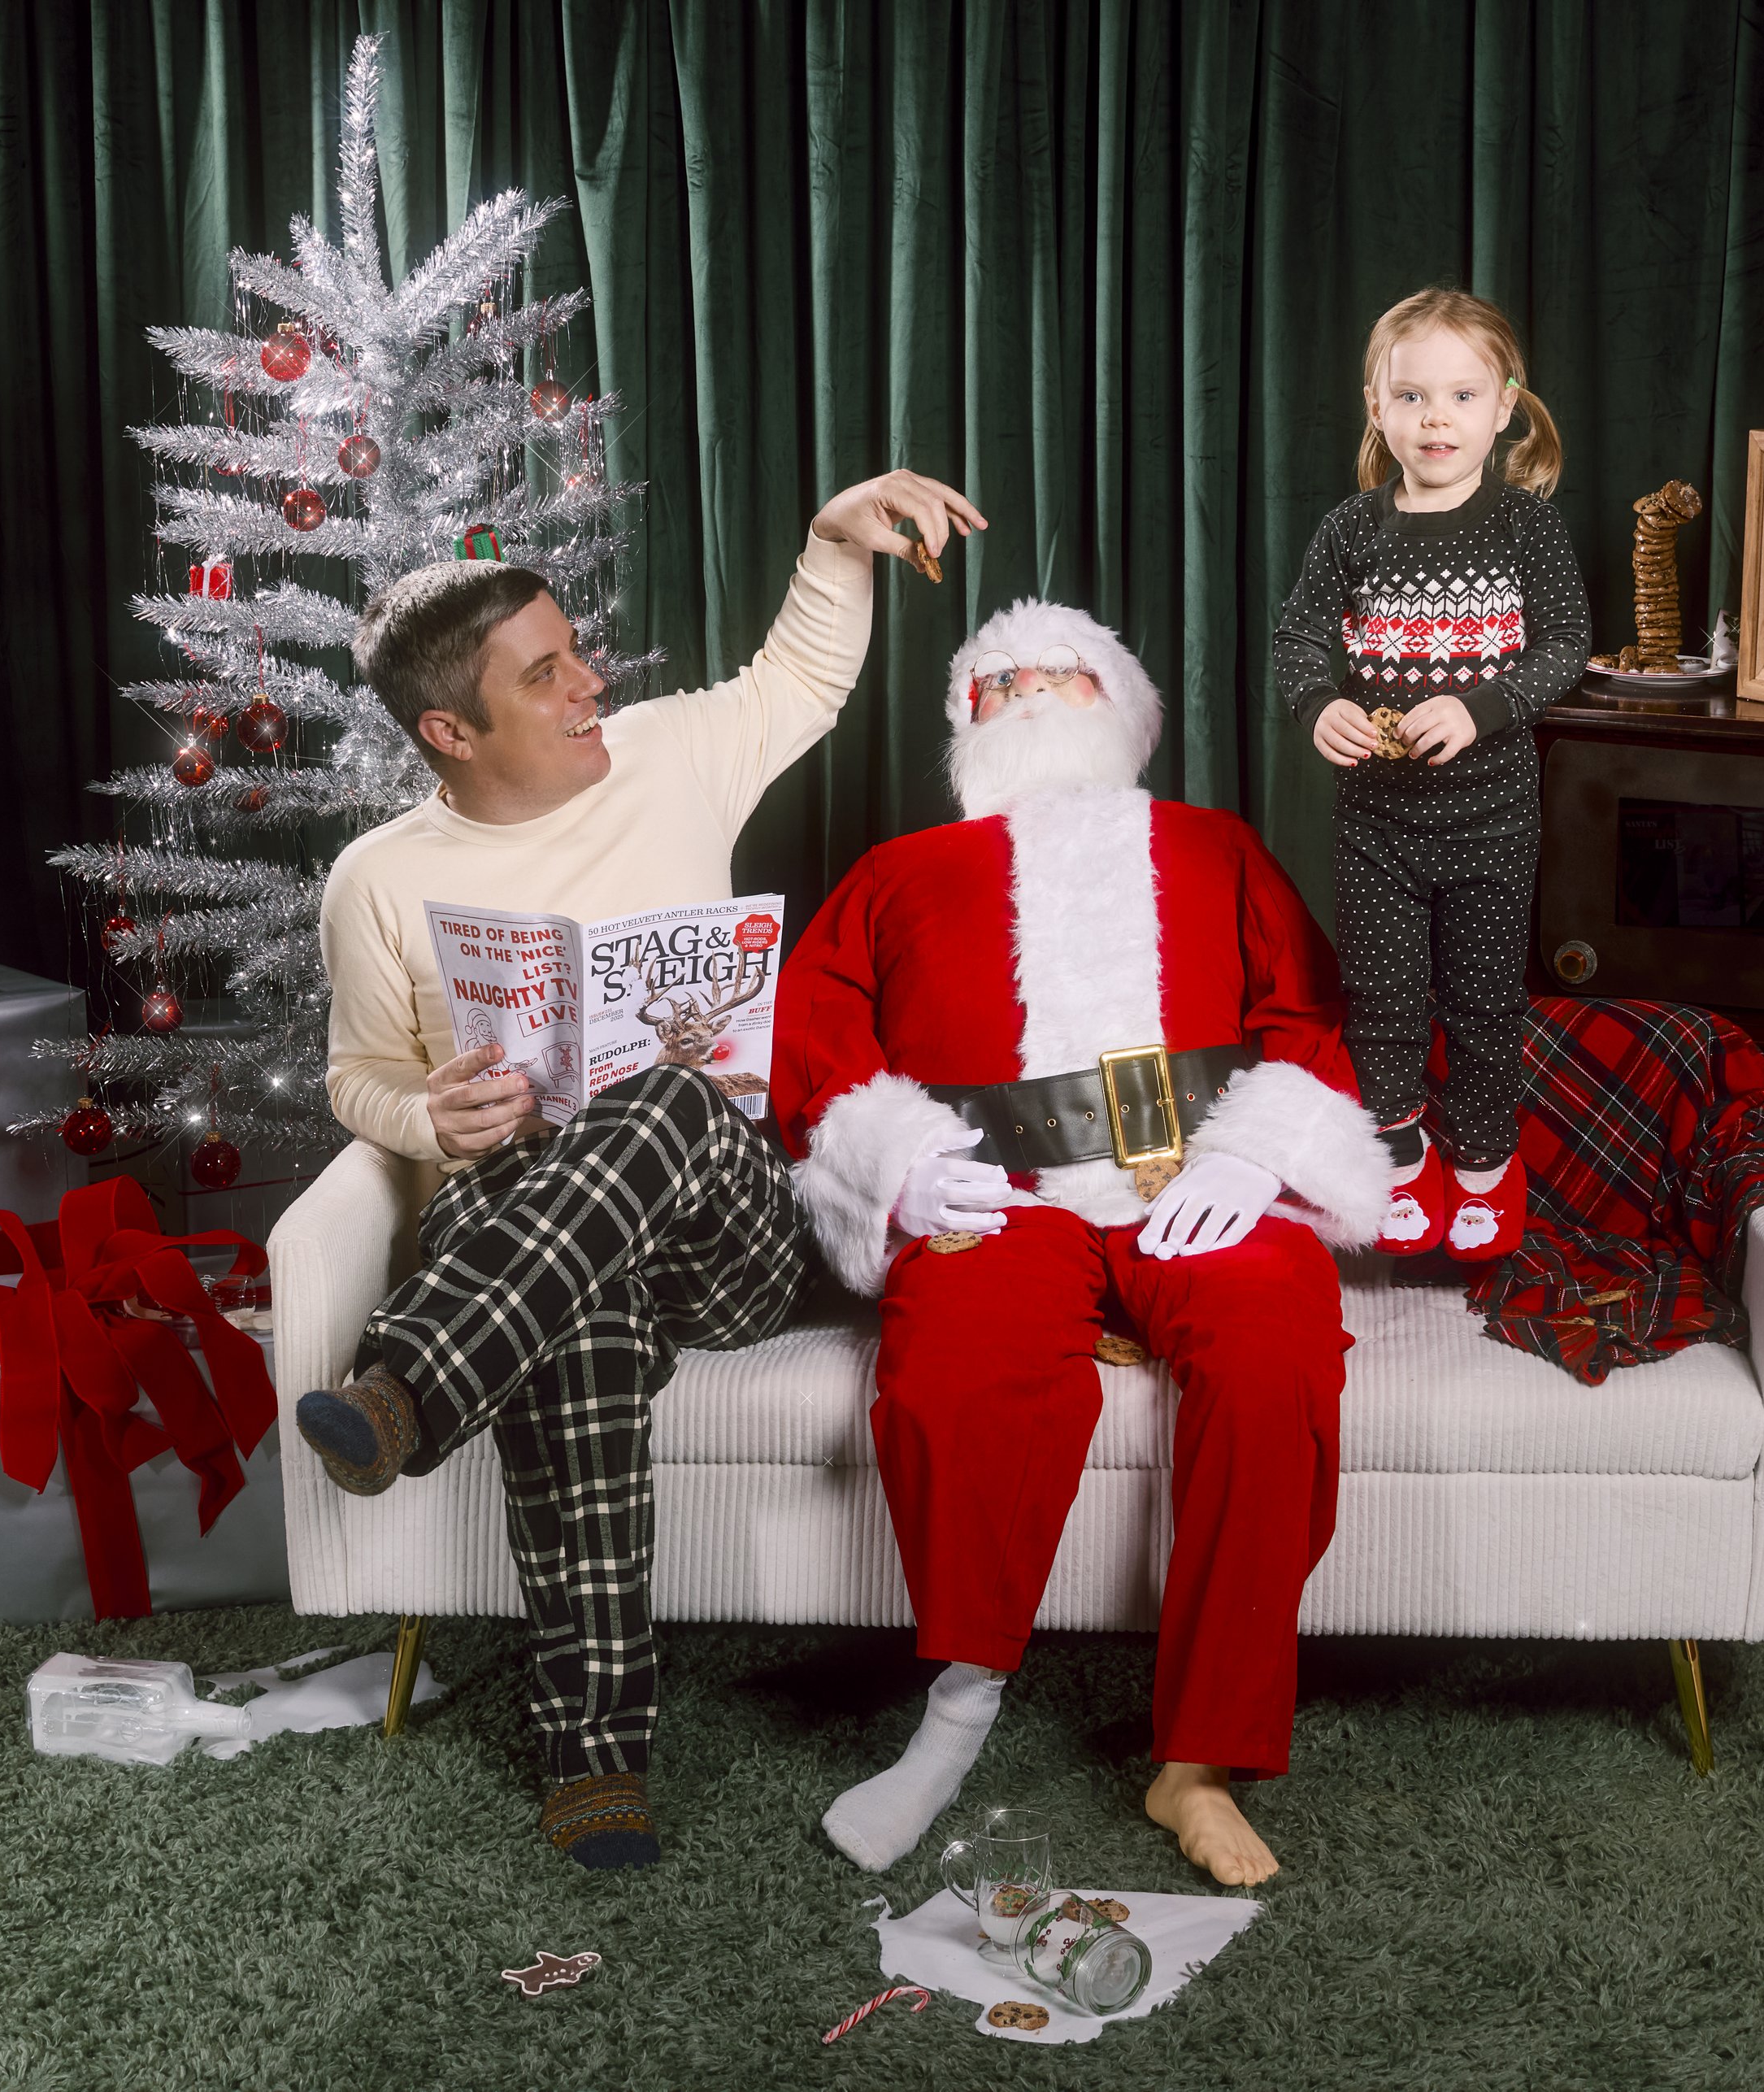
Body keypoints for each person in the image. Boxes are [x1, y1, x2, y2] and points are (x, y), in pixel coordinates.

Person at [292, 471, 987, 1871]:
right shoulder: (377, 875)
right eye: (546, 675)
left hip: (723, 1234)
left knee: (662, 1096)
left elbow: (799, 675)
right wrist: (434, 1117)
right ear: (450, 729)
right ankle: (594, 1757)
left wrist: (828, 537)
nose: (589, 682)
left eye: (575, 651)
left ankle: (413, 1382)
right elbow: (358, 1074)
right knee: (578, 1321)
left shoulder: (668, 751)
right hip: (544, 1246)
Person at [771, 602, 1390, 1888]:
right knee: (947, 1372)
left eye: (1065, 673)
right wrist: (899, 1161)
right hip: (1003, 1198)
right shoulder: (897, 873)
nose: (1033, 690)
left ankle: (1199, 1762)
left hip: (1200, 1184)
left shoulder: (1218, 849)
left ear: (1126, 708)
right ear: (965, 723)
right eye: (999, 679)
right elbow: (817, 1044)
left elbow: (1309, 1015)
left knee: (1276, 1359)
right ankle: (955, 1713)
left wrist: (1254, 1149)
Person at [1273, 286, 1590, 1265]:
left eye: (1460, 396)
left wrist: (1481, 704)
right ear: (1377, 408)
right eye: (1411, 397)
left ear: (1503, 407)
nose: (1436, 418)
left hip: (1493, 824)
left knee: (1486, 1000)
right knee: (1384, 999)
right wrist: (1318, 702)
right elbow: (1296, 638)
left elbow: (1567, 644)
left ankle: (1490, 1167)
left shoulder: (1526, 529)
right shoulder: (1350, 531)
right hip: (1378, 826)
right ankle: (1402, 1163)